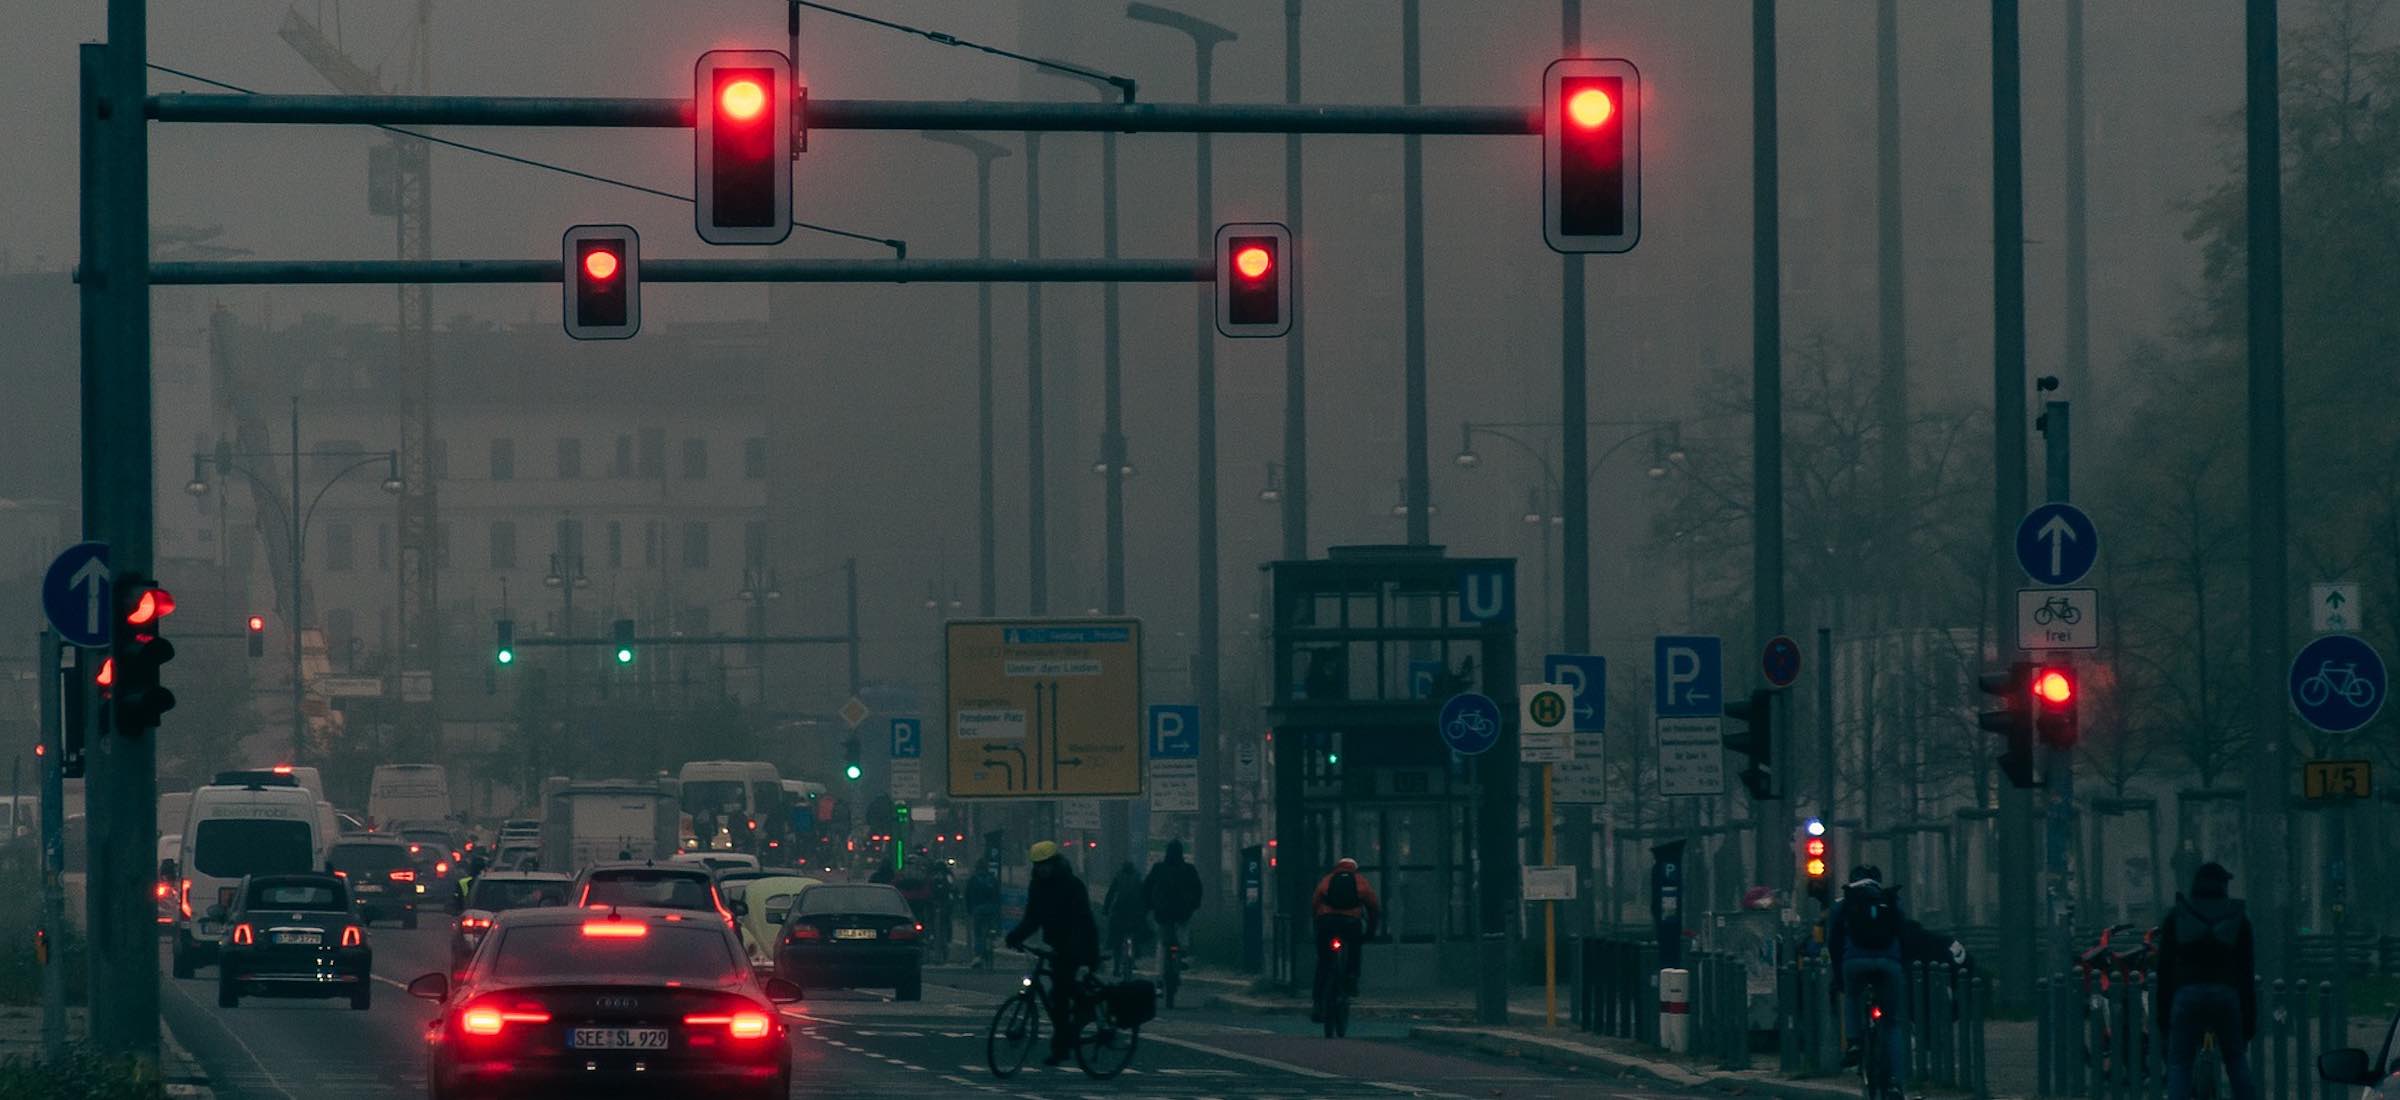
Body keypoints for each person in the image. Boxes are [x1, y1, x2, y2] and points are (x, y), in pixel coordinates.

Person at [2157, 862, 2259, 1100]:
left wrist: (2164, 1019)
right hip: (2226, 994)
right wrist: (2248, 1022)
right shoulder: (2238, 920)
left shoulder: (2177, 917)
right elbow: (2246, 973)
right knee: (2235, 1060)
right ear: (2223, 886)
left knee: (2180, 1064)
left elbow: (2164, 971)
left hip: (2187, 995)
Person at [1005, 841, 1101, 1067]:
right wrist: (1015, 936)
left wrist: (1080, 950)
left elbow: (1082, 921)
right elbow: (1033, 917)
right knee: (1058, 996)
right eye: (1038, 865)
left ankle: (1064, 1043)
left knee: (1061, 994)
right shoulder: (1037, 886)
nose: (1042, 869)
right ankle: (1064, 1041)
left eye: (1046, 864)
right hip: (1057, 945)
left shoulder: (1072, 885)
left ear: (1055, 863)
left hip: (1079, 943)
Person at [1827, 866, 1907, 1099]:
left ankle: (1853, 1043)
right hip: (1889, 965)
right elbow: (1905, 935)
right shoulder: (1891, 900)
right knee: (1891, 1025)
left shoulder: (1845, 903)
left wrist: (1838, 975)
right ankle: (1895, 1083)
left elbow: (1833, 941)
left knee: (1851, 997)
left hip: (1854, 963)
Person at [1309, 857, 1381, 1022]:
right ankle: (1351, 978)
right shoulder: (1360, 881)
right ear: (1354, 868)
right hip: (1350, 923)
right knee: (1354, 948)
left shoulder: (1327, 880)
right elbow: (1374, 907)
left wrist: (1317, 923)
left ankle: (1318, 1004)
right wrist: (1370, 931)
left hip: (1327, 923)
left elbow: (1315, 903)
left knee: (1324, 962)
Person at [1142, 839, 1203, 977]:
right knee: (1182, 938)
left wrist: (1148, 906)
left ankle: (1160, 975)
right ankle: (1182, 955)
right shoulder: (1189, 869)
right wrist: (1194, 905)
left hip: (1162, 914)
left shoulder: (1158, 868)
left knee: (1163, 944)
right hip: (1183, 913)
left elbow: (1147, 888)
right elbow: (1198, 889)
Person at [1102, 862, 1151, 973]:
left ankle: (1116, 966)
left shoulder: (1118, 877)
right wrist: (1145, 911)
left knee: (1116, 939)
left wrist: (1105, 909)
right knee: (1136, 936)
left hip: (1119, 913)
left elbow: (1110, 894)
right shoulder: (1138, 878)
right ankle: (1134, 958)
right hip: (1134, 914)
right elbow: (1144, 896)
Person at [965, 863, 1001, 969]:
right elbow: (998, 895)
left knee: (978, 934)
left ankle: (978, 956)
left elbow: (968, 896)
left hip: (978, 910)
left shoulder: (973, 879)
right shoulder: (992, 879)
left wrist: (969, 911)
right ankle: (993, 935)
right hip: (992, 909)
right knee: (992, 926)